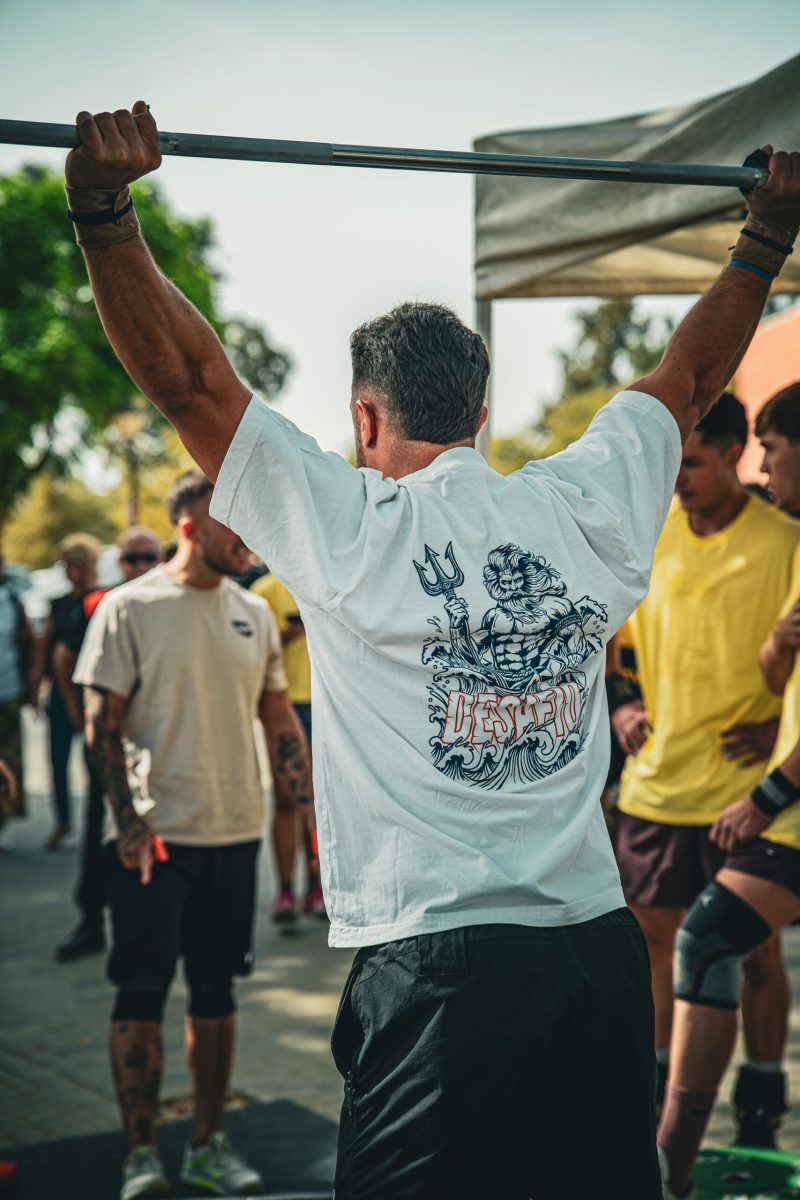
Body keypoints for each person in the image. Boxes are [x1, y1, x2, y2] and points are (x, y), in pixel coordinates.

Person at [63, 103, 799, 1199]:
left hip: (442, 971)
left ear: (366, 421)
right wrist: (765, 237)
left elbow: (190, 384)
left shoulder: (352, 528)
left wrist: (103, 213)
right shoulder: (582, 502)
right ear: (481, 412)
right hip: (591, 955)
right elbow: (689, 378)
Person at [73, 472, 312, 1200]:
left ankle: (208, 1145)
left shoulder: (254, 613)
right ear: (188, 527)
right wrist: (128, 824)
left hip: (233, 835)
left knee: (216, 993)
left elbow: (279, 721)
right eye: (231, 517)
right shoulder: (129, 608)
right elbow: (100, 724)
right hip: (153, 843)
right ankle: (141, 1156)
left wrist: (313, 811)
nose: (247, 532)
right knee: (140, 993)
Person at [611, 393, 799, 1141]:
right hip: (657, 785)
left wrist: (780, 726)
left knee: (751, 957)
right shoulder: (646, 537)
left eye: (691, 463)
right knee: (659, 949)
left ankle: (759, 1111)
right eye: (671, 465)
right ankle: (660, 1112)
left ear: (732, 454)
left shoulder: (786, 539)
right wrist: (622, 704)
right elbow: (608, 642)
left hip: (745, 793)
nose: (678, 479)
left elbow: (786, 665)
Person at [657, 382, 800, 1200]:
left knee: (718, 943)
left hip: (767, 800)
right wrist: (778, 653)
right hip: (705, 793)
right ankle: (666, 1160)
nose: (766, 472)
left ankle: (676, 1163)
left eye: (773, 453)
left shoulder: (785, 539)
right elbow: (783, 672)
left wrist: (768, 793)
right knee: (702, 942)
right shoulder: (661, 536)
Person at [55, 526, 164, 962]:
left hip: (159, 746)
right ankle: (91, 921)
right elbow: (63, 658)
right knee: (100, 828)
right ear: (119, 562)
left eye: (148, 557)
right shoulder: (103, 603)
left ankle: (155, 927)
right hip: (112, 745)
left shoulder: (174, 602)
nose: (140, 566)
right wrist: (83, 720)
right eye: (131, 558)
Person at [251, 571, 325, 920]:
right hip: (284, 703)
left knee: (319, 800)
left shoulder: (323, 579)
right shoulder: (264, 591)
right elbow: (252, 653)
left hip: (324, 702)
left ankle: (316, 885)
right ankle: (284, 889)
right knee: (285, 799)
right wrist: (290, 632)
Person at [40, 533, 101, 849]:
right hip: (62, 694)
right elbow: (52, 652)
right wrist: (35, 686)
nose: (68, 571)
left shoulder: (102, 599)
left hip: (90, 691)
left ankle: (96, 823)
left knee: (95, 763)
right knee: (58, 761)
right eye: (64, 564)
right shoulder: (59, 604)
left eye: (73, 563)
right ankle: (63, 821)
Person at [0, 558, 38, 850]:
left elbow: (30, 639)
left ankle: (3, 821)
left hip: (8, 691)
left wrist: (31, 684)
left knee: (9, 758)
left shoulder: (12, 600)